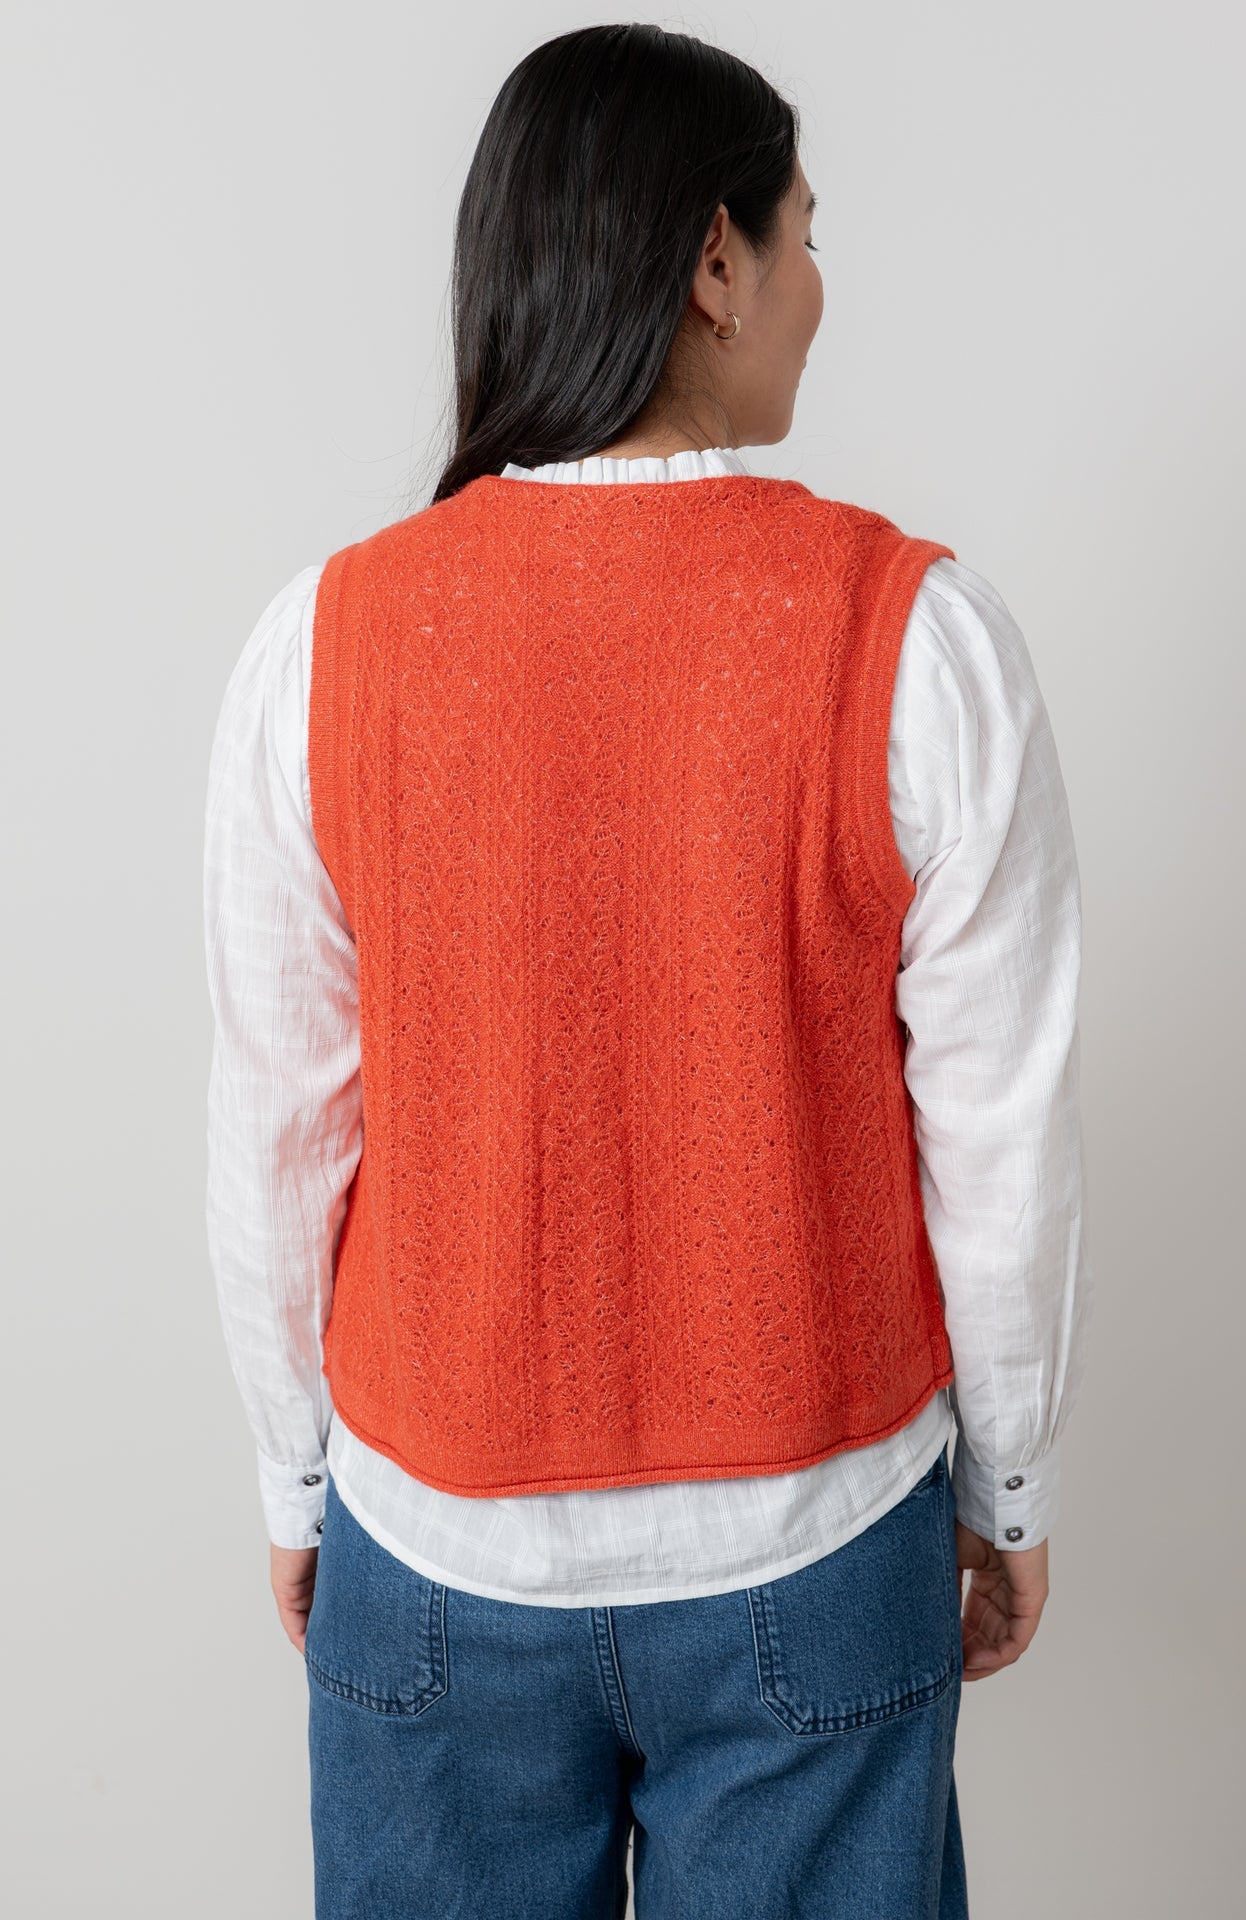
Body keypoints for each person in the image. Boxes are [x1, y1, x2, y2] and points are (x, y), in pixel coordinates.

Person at [203, 22, 1092, 1919]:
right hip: (818, 1540)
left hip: (434, 1545)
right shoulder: (916, 638)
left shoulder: (320, 646)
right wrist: (1006, 1490)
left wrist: (298, 1484)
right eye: (804, 235)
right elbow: (999, 1142)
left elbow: (278, 1128)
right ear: (713, 264)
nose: (817, 286)